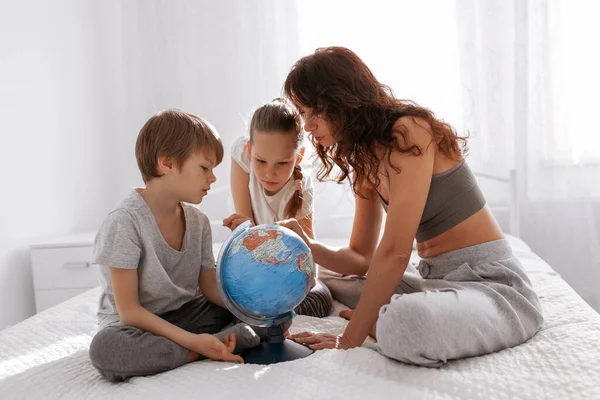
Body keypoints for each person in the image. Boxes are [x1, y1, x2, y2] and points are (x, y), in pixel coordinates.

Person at [279, 47, 544, 367]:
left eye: (313, 111)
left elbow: (395, 252)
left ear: (341, 98)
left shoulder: (408, 131)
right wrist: (309, 247)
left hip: (489, 284)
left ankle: (389, 324)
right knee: (334, 282)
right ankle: (394, 317)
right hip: (431, 278)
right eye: (303, 113)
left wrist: (348, 340)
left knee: (405, 322)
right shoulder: (363, 161)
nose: (307, 126)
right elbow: (361, 259)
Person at [88, 110, 261, 382]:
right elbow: (129, 311)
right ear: (166, 163)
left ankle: (214, 342)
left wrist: (254, 305)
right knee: (106, 350)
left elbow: (210, 288)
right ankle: (206, 348)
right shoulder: (124, 222)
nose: (213, 178)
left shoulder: (198, 222)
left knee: (267, 314)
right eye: (205, 168)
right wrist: (194, 343)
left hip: (187, 315)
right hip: (137, 326)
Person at [223, 98, 332, 318]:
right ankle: (257, 316)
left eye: (282, 163)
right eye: (261, 161)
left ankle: (261, 317)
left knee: (319, 299)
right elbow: (247, 230)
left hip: (280, 265)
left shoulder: (301, 188)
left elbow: (309, 266)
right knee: (220, 288)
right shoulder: (241, 154)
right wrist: (243, 228)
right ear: (250, 150)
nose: (269, 174)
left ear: (298, 156)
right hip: (254, 257)